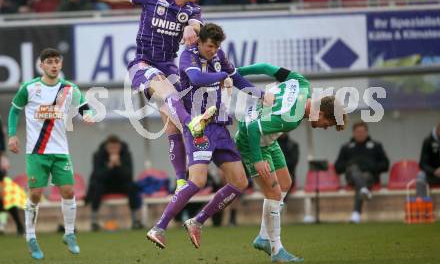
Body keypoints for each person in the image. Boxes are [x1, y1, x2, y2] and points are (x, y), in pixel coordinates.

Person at [63, 0, 217, 191]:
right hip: (143, 63)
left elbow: (197, 24)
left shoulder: (192, 10)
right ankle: (192, 124)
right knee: (169, 95)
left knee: (172, 122)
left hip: (168, 65)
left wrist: (192, 28)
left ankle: (181, 179)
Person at [146, 23, 268, 249]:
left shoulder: (220, 55)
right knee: (198, 181)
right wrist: (224, 76)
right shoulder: (188, 56)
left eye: (217, 46)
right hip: (198, 126)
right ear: (200, 42)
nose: (213, 50)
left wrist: (261, 94)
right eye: (210, 46)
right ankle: (159, 227)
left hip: (220, 126)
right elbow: (196, 79)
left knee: (240, 182)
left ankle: (197, 221)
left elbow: (237, 78)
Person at [235, 62, 347, 263]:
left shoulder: (302, 83)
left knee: (285, 183)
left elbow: (266, 67)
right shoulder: (291, 118)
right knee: (274, 194)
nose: (323, 127)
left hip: (268, 137)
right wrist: (258, 161)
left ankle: (263, 236)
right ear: (321, 113)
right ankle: (276, 249)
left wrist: (237, 72)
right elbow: (252, 129)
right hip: (252, 140)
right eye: (327, 124)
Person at [7, 48, 93, 260]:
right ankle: (30, 236)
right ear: (41, 65)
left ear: (60, 64)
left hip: (60, 151)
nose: (54, 65)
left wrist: (88, 114)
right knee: (35, 194)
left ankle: (70, 234)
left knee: (68, 191)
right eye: (49, 62)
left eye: (57, 61)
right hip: (36, 153)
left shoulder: (68, 88)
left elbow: (83, 104)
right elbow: (14, 110)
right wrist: (11, 135)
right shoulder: (30, 88)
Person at [334, 121, 389, 224]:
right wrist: (349, 165)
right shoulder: (346, 147)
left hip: (370, 176)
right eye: (357, 132)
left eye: (362, 131)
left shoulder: (376, 146)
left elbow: (385, 165)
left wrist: (372, 167)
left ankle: (356, 213)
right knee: (354, 168)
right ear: (353, 133)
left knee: (363, 177)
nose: (360, 134)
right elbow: (337, 167)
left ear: (367, 132)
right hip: (351, 178)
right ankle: (363, 190)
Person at [87, 135, 142, 231]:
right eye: (111, 148)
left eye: (116, 147)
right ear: (106, 147)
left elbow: (129, 175)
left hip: (121, 184)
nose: (113, 150)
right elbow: (97, 175)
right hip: (105, 185)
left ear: (120, 146)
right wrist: (109, 166)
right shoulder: (98, 155)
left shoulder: (126, 155)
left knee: (132, 187)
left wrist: (119, 165)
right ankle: (94, 221)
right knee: (96, 186)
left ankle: (135, 220)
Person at [416, 123, 440, 197]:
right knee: (420, 177)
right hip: (431, 174)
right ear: (438, 130)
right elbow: (422, 164)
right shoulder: (427, 141)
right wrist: (434, 171)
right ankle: (423, 203)